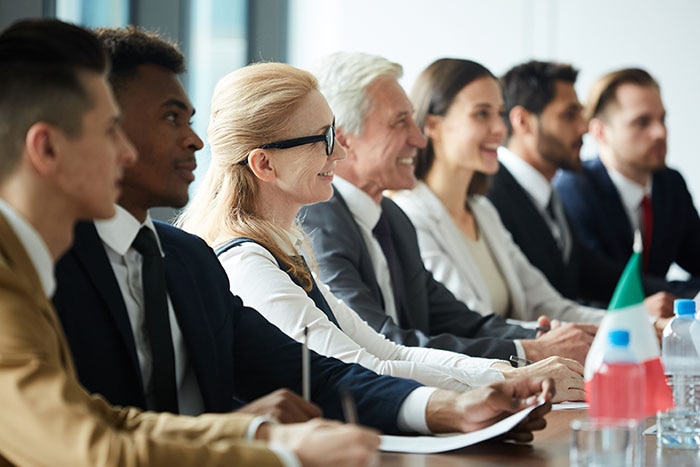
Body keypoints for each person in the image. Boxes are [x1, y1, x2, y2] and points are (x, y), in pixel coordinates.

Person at [52, 26, 553, 440]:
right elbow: (88, 436)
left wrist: (460, 402)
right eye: (169, 118)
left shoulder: (187, 260)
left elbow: (316, 372)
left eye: (190, 118)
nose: (195, 141)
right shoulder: (52, 270)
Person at [0, 18, 380, 467]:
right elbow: (90, 450)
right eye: (109, 131)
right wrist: (281, 455)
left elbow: (106, 422)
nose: (123, 153)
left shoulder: (27, 262)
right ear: (46, 149)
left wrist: (250, 429)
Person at [176, 61, 582, 402]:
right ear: (264, 165)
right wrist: (508, 378)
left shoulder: (284, 252)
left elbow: (386, 350)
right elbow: (359, 368)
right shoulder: (248, 263)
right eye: (324, 138)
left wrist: (505, 371)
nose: (338, 152)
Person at [298, 51, 594, 366]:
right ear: (344, 139)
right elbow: (381, 343)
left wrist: (548, 339)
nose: (418, 138)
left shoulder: (392, 217)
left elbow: (461, 320)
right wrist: (529, 352)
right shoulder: (318, 223)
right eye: (401, 122)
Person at [391, 57, 603, 326]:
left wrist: (637, 322)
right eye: (482, 114)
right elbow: (473, 324)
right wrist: (555, 338)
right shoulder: (411, 216)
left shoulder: (482, 211)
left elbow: (546, 304)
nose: (501, 129)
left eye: (499, 113)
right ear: (433, 125)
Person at [488, 60, 677, 320]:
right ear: (523, 121)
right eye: (569, 115)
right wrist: (631, 314)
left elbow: (596, 274)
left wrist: (677, 299)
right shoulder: (489, 195)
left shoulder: (547, 194)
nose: (584, 127)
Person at [554, 67, 700, 294]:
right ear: (600, 131)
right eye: (642, 122)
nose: (660, 132)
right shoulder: (574, 188)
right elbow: (599, 286)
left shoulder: (670, 184)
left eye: (662, 119)